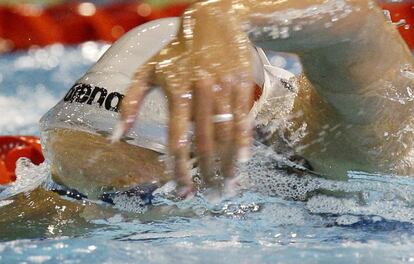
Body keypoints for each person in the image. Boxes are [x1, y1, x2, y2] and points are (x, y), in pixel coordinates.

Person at [41, 0, 414, 199]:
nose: (89, 209)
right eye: (70, 187)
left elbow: (358, 22)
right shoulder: (113, 187)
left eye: (129, 194)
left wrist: (222, 16)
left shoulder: (341, 142)